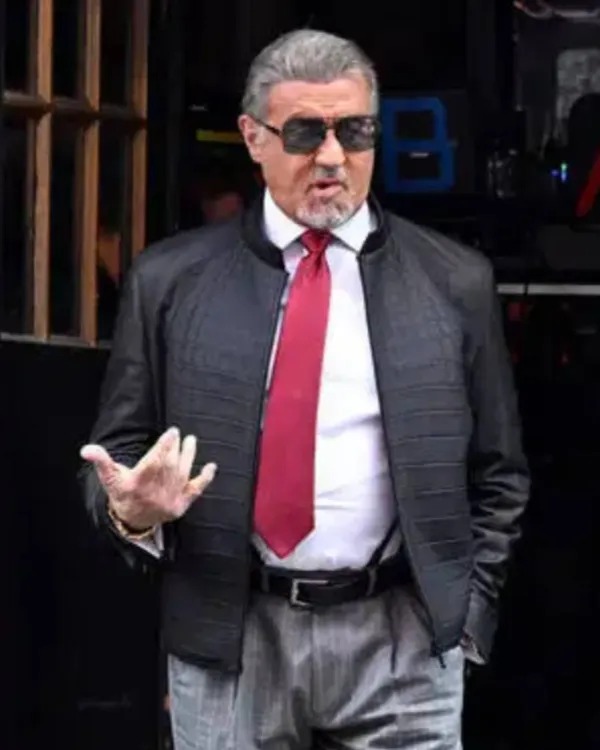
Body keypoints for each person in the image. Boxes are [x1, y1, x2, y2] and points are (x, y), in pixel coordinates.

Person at [80, 29, 530, 750]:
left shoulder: (453, 281)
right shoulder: (170, 281)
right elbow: (117, 454)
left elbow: (498, 472)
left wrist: (466, 616)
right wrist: (131, 513)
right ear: (253, 138)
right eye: (304, 133)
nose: (331, 157)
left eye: (354, 132)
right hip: (231, 629)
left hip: (403, 636)